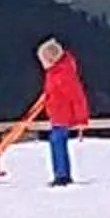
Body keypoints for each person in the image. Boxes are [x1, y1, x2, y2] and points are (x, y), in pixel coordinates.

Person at [35, 38, 90, 188]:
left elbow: (77, 97)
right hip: (57, 113)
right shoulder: (55, 72)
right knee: (56, 141)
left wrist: (81, 119)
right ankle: (61, 174)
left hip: (62, 115)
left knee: (57, 141)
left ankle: (62, 175)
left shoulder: (62, 74)